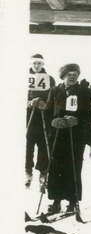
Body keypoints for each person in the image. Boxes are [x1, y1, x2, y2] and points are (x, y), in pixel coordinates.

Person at [43, 64, 91, 215]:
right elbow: (48, 111)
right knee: (56, 165)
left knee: (74, 165)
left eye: (75, 74)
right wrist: (53, 121)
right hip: (58, 133)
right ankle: (56, 201)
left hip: (75, 134)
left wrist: (77, 120)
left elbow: (88, 113)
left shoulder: (84, 91)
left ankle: (73, 201)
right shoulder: (55, 90)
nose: (72, 76)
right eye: (69, 74)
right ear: (63, 75)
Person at [26, 54, 56, 188]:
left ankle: (43, 172)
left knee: (43, 144)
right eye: (34, 63)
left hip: (43, 115)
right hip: (28, 115)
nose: (36, 66)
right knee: (28, 144)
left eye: (39, 63)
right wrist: (28, 103)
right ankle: (27, 171)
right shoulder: (24, 77)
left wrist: (46, 105)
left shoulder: (50, 79)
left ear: (43, 64)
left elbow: (53, 97)